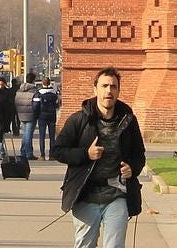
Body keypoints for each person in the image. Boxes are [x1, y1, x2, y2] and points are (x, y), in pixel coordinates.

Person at [53, 67, 146, 248]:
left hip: (117, 194)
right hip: (85, 194)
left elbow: (139, 155)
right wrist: (85, 154)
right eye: (104, 86)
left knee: (114, 245)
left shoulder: (128, 121)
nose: (108, 91)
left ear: (118, 90)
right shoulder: (79, 120)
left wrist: (132, 169)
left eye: (113, 87)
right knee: (85, 245)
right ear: (95, 89)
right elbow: (58, 150)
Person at [16, 75, 40, 159]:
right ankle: (28, 153)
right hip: (31, 115)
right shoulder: (34, 91)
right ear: (33, 81)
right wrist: (36, 113)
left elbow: (16, 101)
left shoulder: (19, 90)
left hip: (21, 114)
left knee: (25, 134)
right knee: (28, 134)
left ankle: (23, 151)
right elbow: (37, 104)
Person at [36, 78, 60, 160]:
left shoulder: (39, 93)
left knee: (42, 136)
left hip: (42, 116)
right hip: (52, 115)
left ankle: (42, 155)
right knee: (52, 136)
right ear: (49, 83)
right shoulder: (54, 93)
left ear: (42, 83)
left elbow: (36, 105)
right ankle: (52, 155)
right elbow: (57, 104)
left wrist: (37, 114)